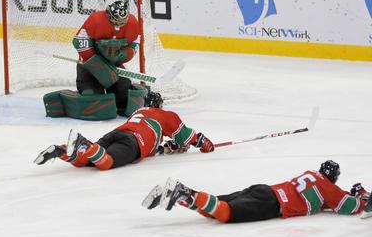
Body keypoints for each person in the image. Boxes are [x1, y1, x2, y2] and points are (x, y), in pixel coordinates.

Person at [142, 160, 371, 222]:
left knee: (210, 209)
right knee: (224, 214)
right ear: (334, 178)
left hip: (264, 189)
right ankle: (184, 192)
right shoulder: (329, 188)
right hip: (273, 205)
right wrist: (362, 198)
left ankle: (176, 194)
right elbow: (348, 206)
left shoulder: (311, 174)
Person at [34, 92, 215, 170]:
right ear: (160, 105)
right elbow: (187, 137)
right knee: (106, 163)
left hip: (116, 133)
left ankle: (62, 151)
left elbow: (156, 144)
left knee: (87, 161)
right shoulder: (166, 115)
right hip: (133, 141)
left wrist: (167, 148)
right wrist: (203, 143)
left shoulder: (139, 112)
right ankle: (83, 143)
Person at [73, 0, 141, 116]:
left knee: (123, 93)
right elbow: (78, 41)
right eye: (116, 21)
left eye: (122, 22)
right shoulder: (96, 20)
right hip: (90, 65)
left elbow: (135, 43)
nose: (119, 24)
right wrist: (97, 63)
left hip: (114, 65)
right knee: (93, 98)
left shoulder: (133, 23)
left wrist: (123, 55)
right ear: (108, 14)